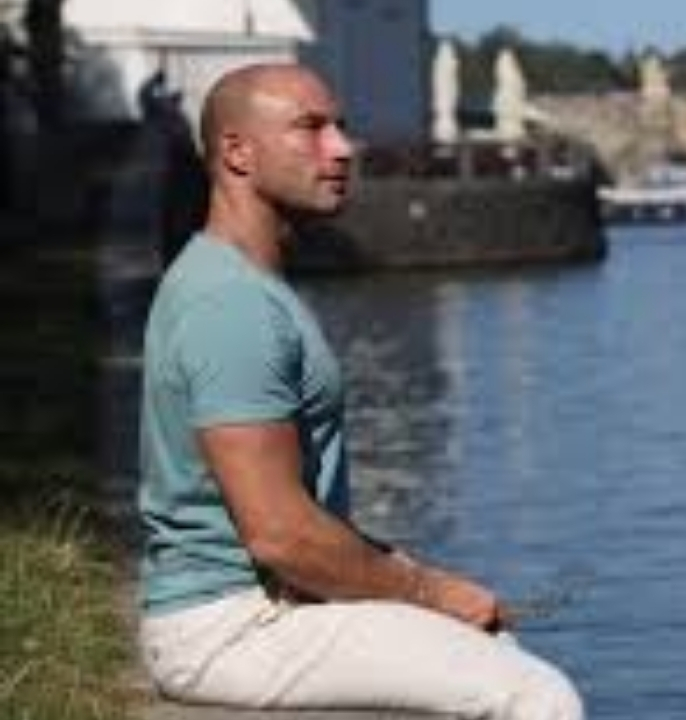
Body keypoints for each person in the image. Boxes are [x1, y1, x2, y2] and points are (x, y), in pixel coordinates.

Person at [136, 62, 584, 719]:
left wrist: (414, 576)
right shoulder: (230, 305)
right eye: (310, 129)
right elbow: (279, 535)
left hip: (253, 610)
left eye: (340, 128)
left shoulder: (242, 282)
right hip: (230, 628)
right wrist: (427, 592)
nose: (342, 148)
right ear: (237, 152)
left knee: (494, 646)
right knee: (537, 697)